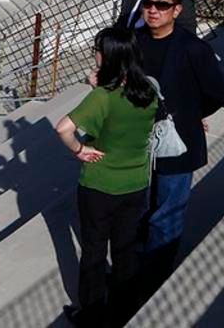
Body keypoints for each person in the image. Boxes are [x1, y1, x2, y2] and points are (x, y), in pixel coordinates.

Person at [56, 28, 156, 327]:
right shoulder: (149, 90)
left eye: (97, 50)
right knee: (125, 248)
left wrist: (79, 151)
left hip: (100, 185)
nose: (95, 55)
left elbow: (63, 128)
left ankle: (93, 313)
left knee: (95, 251)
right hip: (136, 181)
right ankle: (124, 307)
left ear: (109, 56)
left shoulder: (103, 96)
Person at [136, 0, 224, 293]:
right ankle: (137, 270)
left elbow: (216, 93)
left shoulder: (194, 48)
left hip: (179, 144)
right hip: (139, 146)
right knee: (141, 210)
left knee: (167, 215)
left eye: (162, 5)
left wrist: (190, 115)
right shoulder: (133, 42)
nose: (153, 10)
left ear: (176, 10)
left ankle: (153, 281)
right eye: (148, 3)